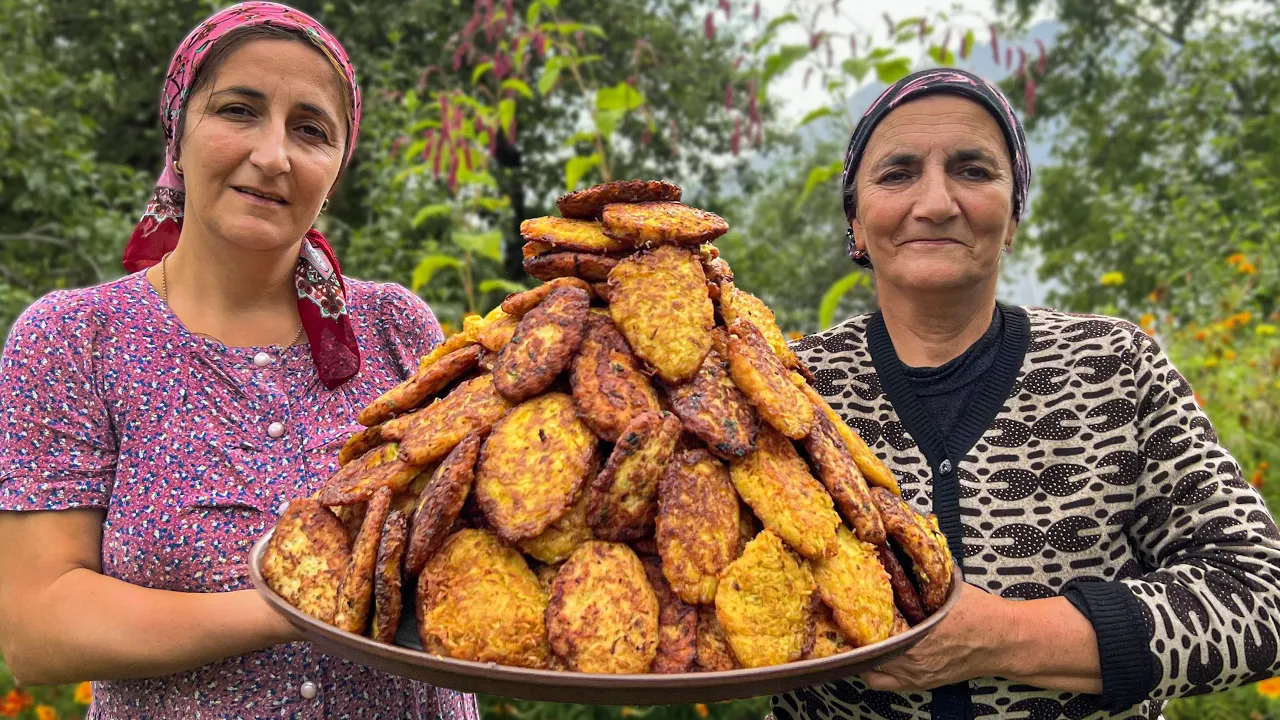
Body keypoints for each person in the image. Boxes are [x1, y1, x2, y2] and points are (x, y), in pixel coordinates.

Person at [0, 4, 479, 718]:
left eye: (310, 129)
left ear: (336, 169)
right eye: (238, 110)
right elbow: (40, 629)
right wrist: (301, 605)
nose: (273, 154)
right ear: (177, 134)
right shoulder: (77, 340)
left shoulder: (395, 328)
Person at [775, 67, 1280, 719]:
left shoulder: (1112, 366)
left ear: (1013, 215)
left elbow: (1261, 594)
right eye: (897, 174)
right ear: (857, 223)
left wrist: (1002, 638)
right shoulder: (792, 388)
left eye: (973, 170)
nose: (935, 203)